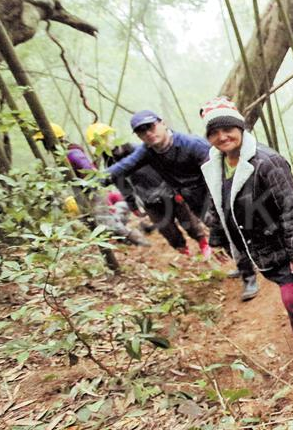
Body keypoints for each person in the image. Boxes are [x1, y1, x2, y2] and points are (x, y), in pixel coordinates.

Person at [199, 98, 293, 380]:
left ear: (240, 127)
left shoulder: (268, 162)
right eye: (214, 132)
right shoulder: (215, 165)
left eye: (227, 128)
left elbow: (292, 207)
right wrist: (217, 239)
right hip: (253, 246)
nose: (222, 137)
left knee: (292, 299)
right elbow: (219, 205)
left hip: (280, 243)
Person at [107, 110, 258, 300]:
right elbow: (122, 167)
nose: (148, 133)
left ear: (161, 123)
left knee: (230, 231)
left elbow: (219, 170)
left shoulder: (191, 145)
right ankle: (243, 264)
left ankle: (250, 275)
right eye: (141, 132)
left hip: (215, 193)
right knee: (221, 233)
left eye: (150, 127)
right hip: (193, 200)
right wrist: (92, 181)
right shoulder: (148, 151)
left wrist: (218, 201)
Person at [105, 141, 210, 258]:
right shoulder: (112, 163)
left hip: (170, 194)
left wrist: (177, 190)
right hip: (149, 201)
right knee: (167, 230)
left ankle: (204, 245)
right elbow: (123, 187)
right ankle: (185, 254)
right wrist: (132, 205)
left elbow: (167, 170)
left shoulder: (143, 151)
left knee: (189, 221)